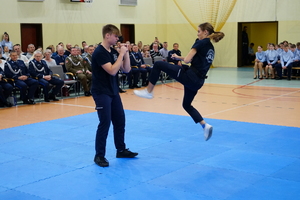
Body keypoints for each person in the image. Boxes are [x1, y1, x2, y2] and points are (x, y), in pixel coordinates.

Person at [134, 22, 225, 141]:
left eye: (198, 31)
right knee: (186, 105)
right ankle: (205, 125)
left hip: (190, 76)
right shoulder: (211, 48)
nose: (197, 34)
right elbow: (192, 59)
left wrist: (183, 58)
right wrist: (178, 57)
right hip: (199, 81)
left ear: (205, 32)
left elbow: (187, 59)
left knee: (158, 64)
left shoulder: (200, 42)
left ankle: (149, 91)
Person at [92, 24, 138, 167]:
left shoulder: (112, 51)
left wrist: (126, 53)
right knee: (105, 123)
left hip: (113, 91)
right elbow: (112, 70)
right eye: (115, 36)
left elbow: (126, 69)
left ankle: (121, 149)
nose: (117, 38)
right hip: (101, 92)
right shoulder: (99, 52)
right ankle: (99, 155)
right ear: (107, 35)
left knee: (120, 121)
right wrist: (120, 54)